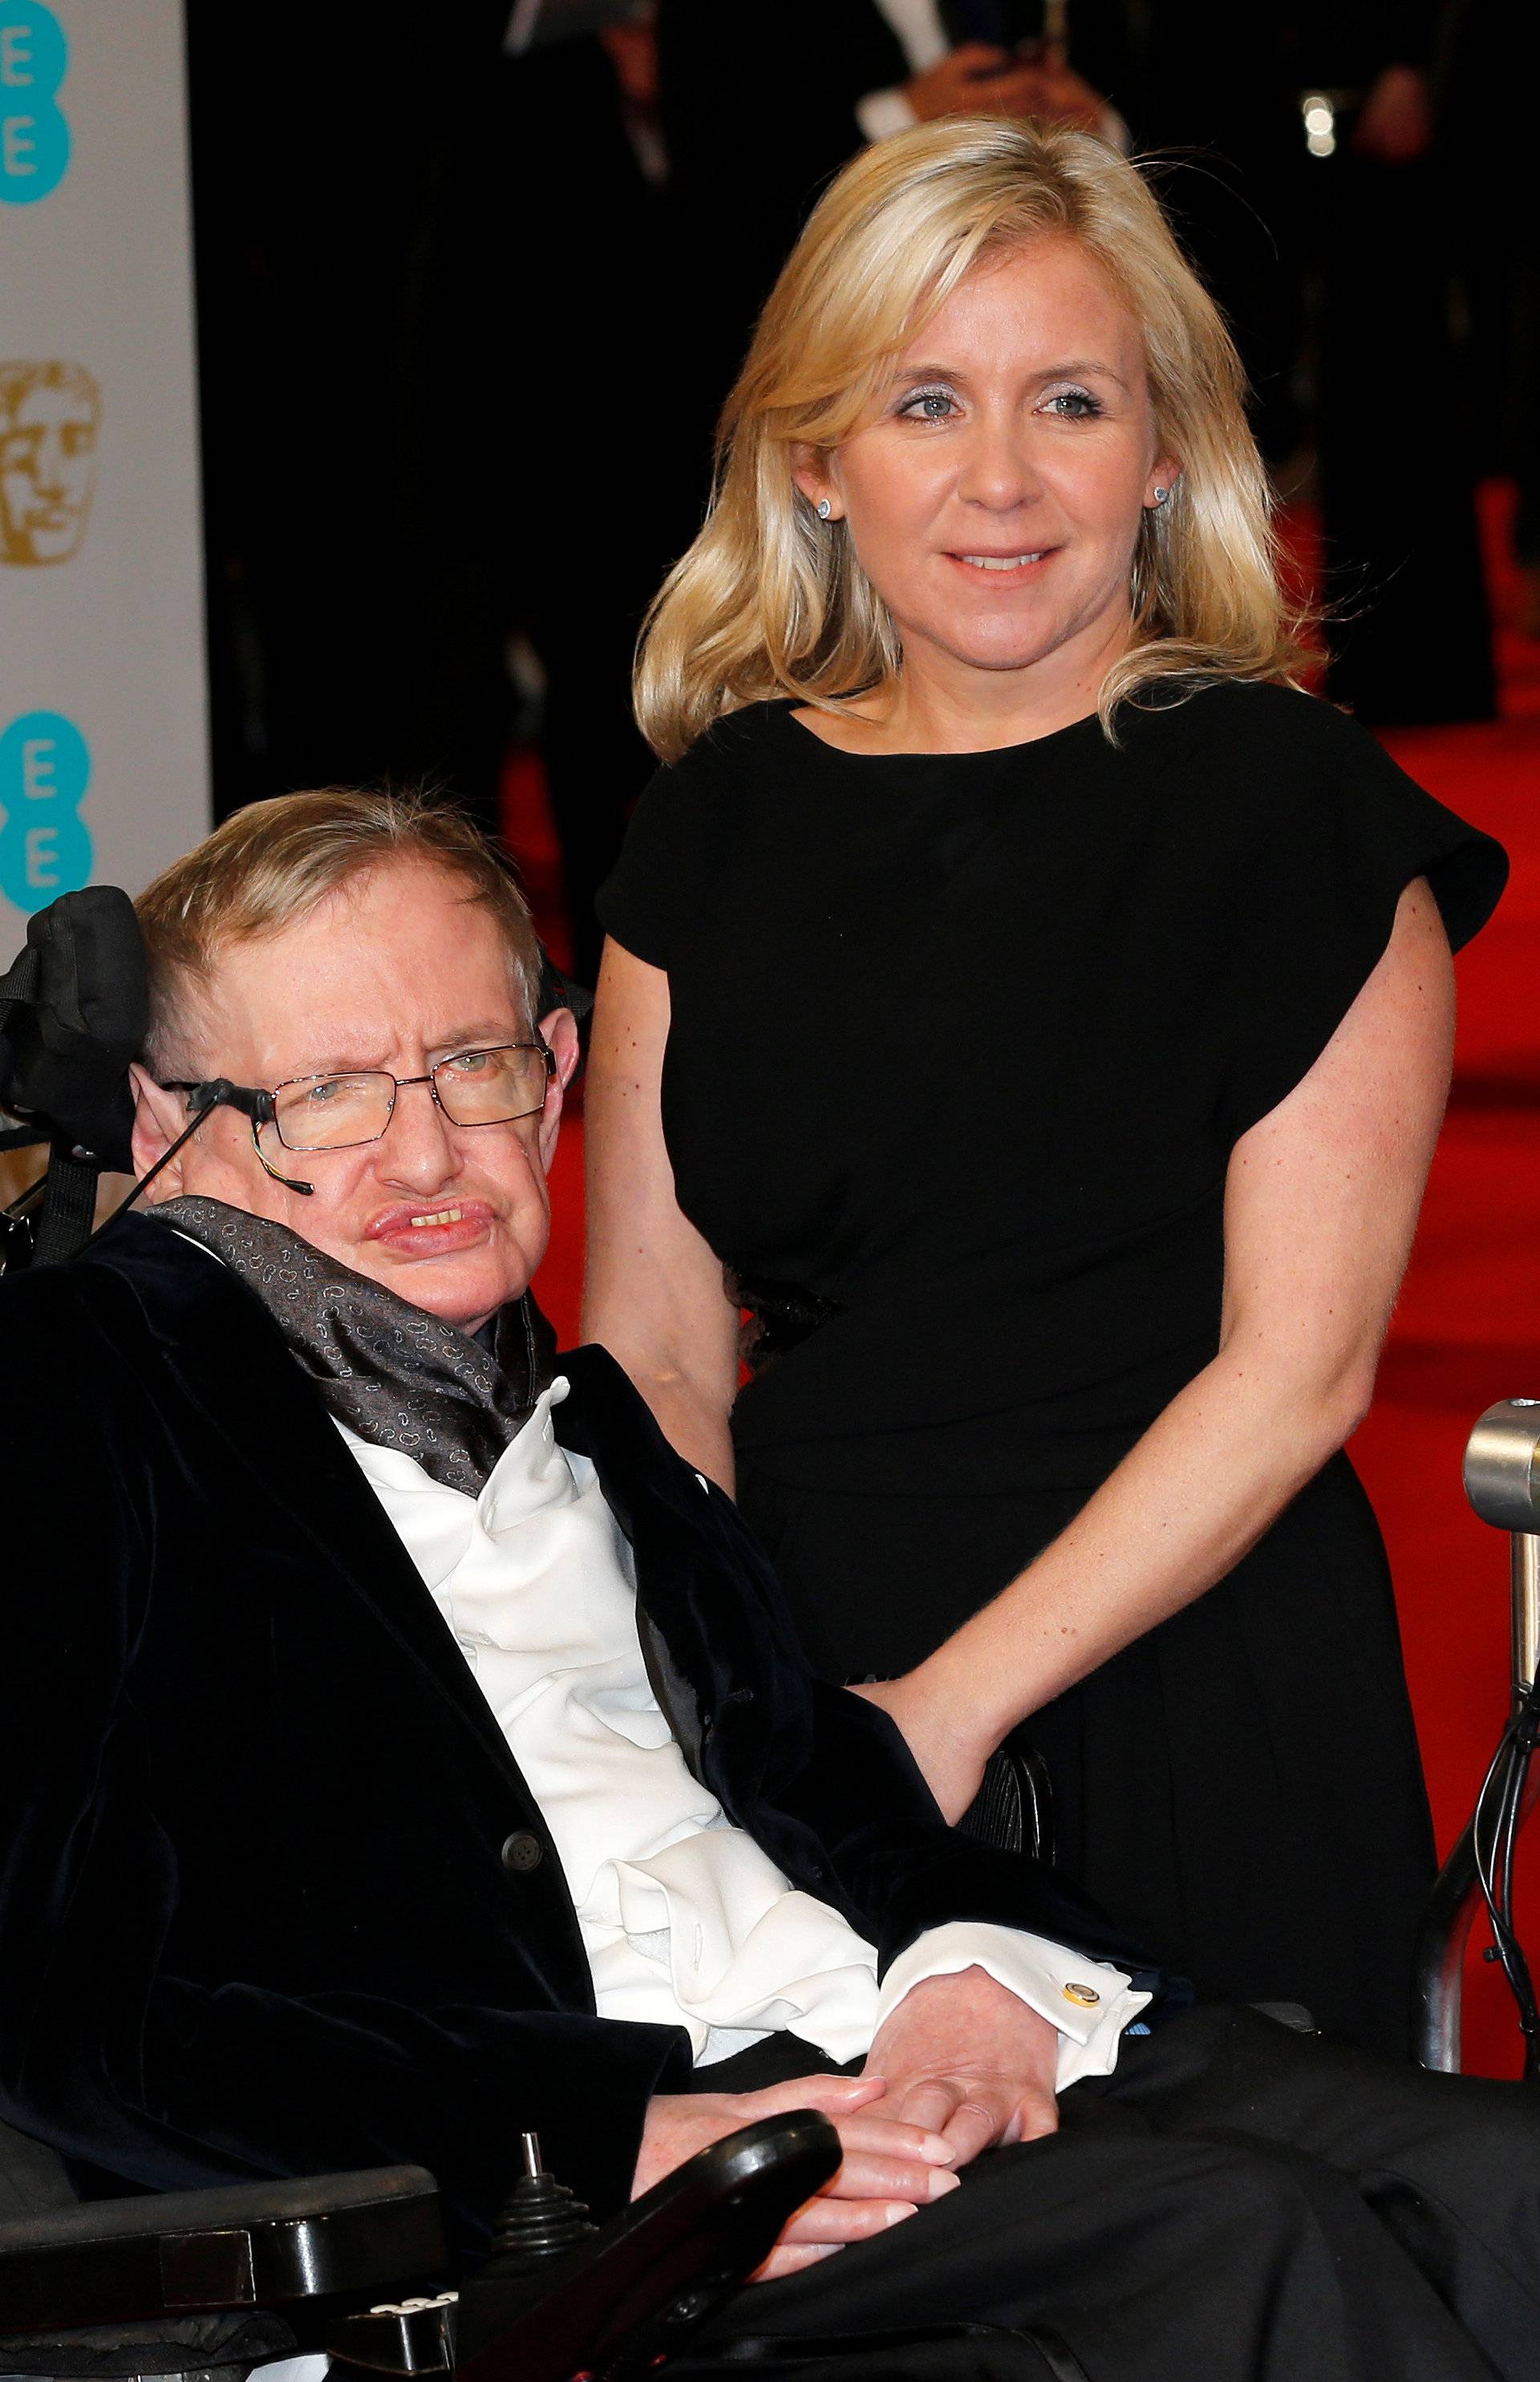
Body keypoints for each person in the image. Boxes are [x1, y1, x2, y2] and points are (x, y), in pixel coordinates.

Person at [3, 792, 1540, 2382]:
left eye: (475, 1066)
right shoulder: (76, 1403)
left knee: (1508, 2188)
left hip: (904, 2046)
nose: (425, 1152)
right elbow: (69, 2018)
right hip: (570, 2205)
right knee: (1241, 2236)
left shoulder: (598, 1425)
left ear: (557, 1080)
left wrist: (974, 1983)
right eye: (324, 1093)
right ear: (159, 1115)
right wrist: (617, 2139)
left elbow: (831, 1794)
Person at [582, 116, 1510, 2059]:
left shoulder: (1292, 817)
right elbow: (657, 1347)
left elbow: (1297, 1374)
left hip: (1191, 1668)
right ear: (816, 459)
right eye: (927, 402)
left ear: (1162, 451)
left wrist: (953, 1704)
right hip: (819, 1673)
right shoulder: (712, 827)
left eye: (1068, 401)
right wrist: (710, 1695)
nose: (1000, 480)